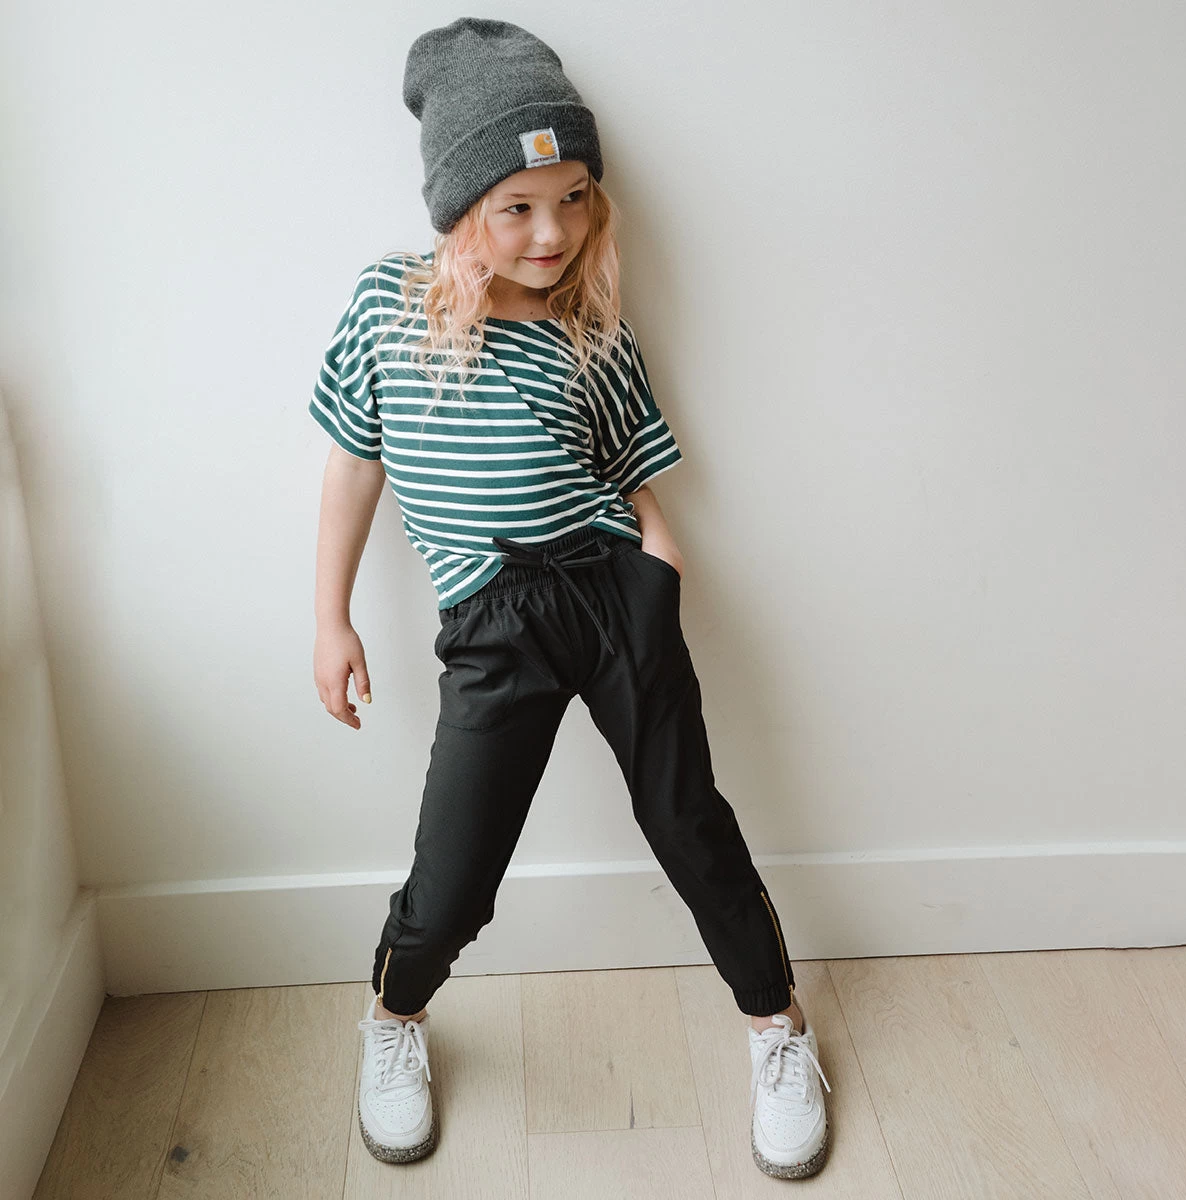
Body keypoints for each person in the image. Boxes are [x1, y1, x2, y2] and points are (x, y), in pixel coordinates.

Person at [308, 16, 831, 1181]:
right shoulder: (388, 308)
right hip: (491, 623)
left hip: (611, 595)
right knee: (456, 873)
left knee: (690, 824)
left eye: (575, 200)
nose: (553, 233)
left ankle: (777, 1030)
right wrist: (330, 616)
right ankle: (393, 1018)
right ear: (459, 207)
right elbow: (351, 464)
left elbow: (640, 478)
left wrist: (660, 570)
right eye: (518, 206)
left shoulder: (594, 333)